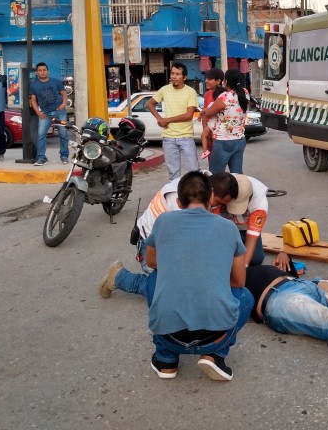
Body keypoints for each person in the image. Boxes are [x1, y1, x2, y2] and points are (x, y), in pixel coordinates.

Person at [139, 171, 253, 381]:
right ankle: (215, 355)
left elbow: (153, 262)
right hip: (216, 336)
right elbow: (239, 281)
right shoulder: (229, 227)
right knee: (245, 296)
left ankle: (166, 360)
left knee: (155, 279)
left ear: (179, 202)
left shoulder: (163, 221)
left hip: (169, 336)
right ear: (211, 197)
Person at [100, 172, 271, 298]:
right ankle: (121, 277)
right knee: (178, 289)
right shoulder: (182, 201)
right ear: (210, 193)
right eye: (218, 204)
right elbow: (188, 249)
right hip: (153, 248)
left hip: (175, 241)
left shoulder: (202, 187)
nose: (221, 209)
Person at [147, 62, 199, 182]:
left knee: (194, 171)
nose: (174, 76)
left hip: (186, 137)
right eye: (172, 73)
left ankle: (196, 197)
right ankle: (176, 199)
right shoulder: (164, 90)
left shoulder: (190, 92)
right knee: (173, 175)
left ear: (184, 77)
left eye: (178, 74)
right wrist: (159, 119)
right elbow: (149, 104)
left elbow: (188, 115)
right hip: (168, 138)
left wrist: (167, 120)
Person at [201, 69, 248, 174]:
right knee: (237, 175)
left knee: (215, 176)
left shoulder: (225, 97)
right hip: (240, 140)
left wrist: (206, 110)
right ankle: (236, 190)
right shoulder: (245, 93)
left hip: (223, 141)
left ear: (225, 81)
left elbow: (209, 113)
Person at [29, 62, 69, 166]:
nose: (42, 72)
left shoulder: (56, 82)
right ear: (37, 72)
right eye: (40, 70)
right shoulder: (34, 85)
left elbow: (64, 94)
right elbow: (33, 100)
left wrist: (63, 104)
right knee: (41, 135)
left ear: (48, 71)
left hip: (59, 111)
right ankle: (41, 158)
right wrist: (38, 112)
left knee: (63, 134)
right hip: (45, 113)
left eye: (44, 70)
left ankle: (64, 156)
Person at [200, 68, 225, 160]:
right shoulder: (207, 94)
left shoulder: (224, 95)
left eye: (209, 79)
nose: (206, 81)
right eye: (206, 78)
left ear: (218, 81)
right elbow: (205, 116)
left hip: (220, 137)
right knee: (212, 167)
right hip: (209, 135)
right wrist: (206, 131)